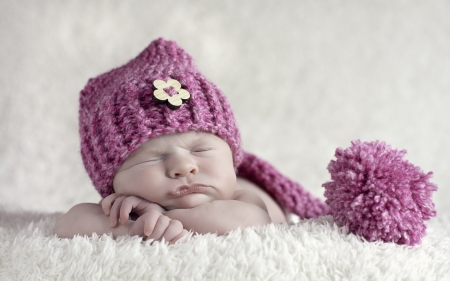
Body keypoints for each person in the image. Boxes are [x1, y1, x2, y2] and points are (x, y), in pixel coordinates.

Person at [54, 38, 329, 243]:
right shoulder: (123, 205)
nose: (184, 167)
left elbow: (250, 222)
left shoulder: (242, 198)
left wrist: (159, 219)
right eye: (153, 157)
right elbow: (69, 223)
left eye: (201, 149)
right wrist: (130, 227)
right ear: (111, 180)